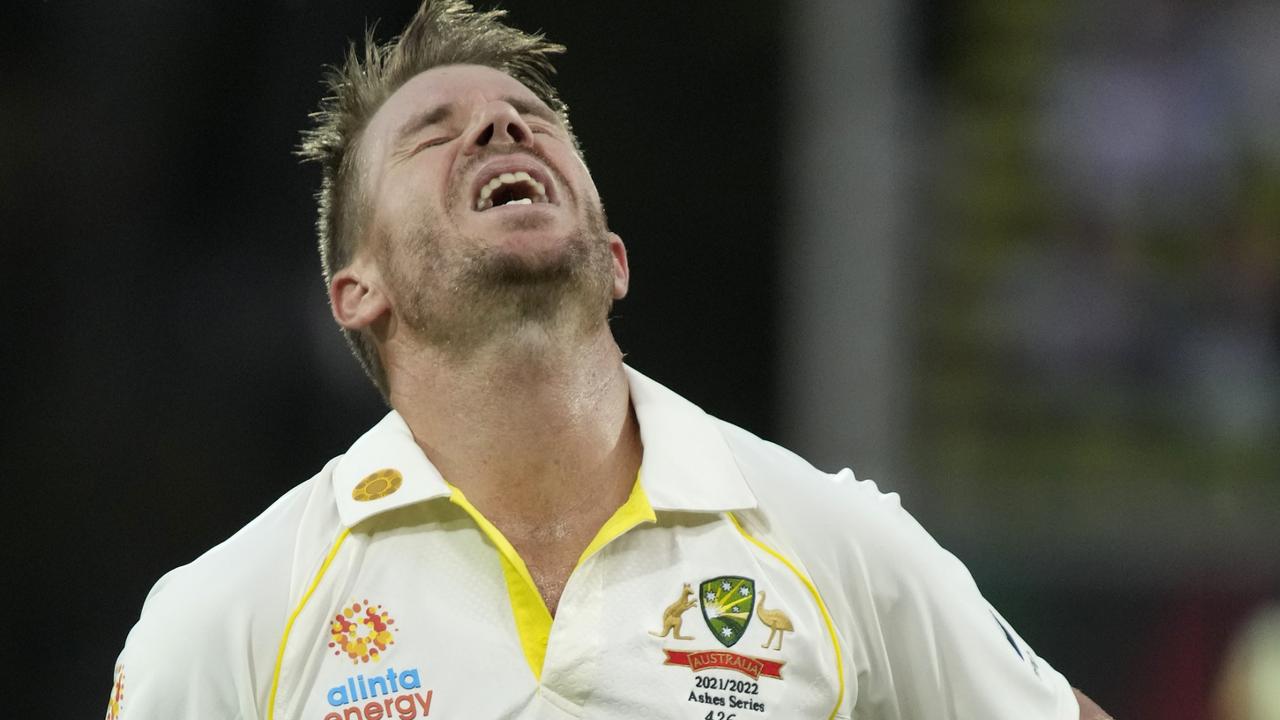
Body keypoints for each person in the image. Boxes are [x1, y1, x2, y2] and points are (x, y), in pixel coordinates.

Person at [107, 2, 1112, 718]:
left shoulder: (833, 543)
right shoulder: (231, 615)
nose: (502, 126)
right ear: (355, 292)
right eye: (430, 133)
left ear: (612, 261)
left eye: (531, 121)